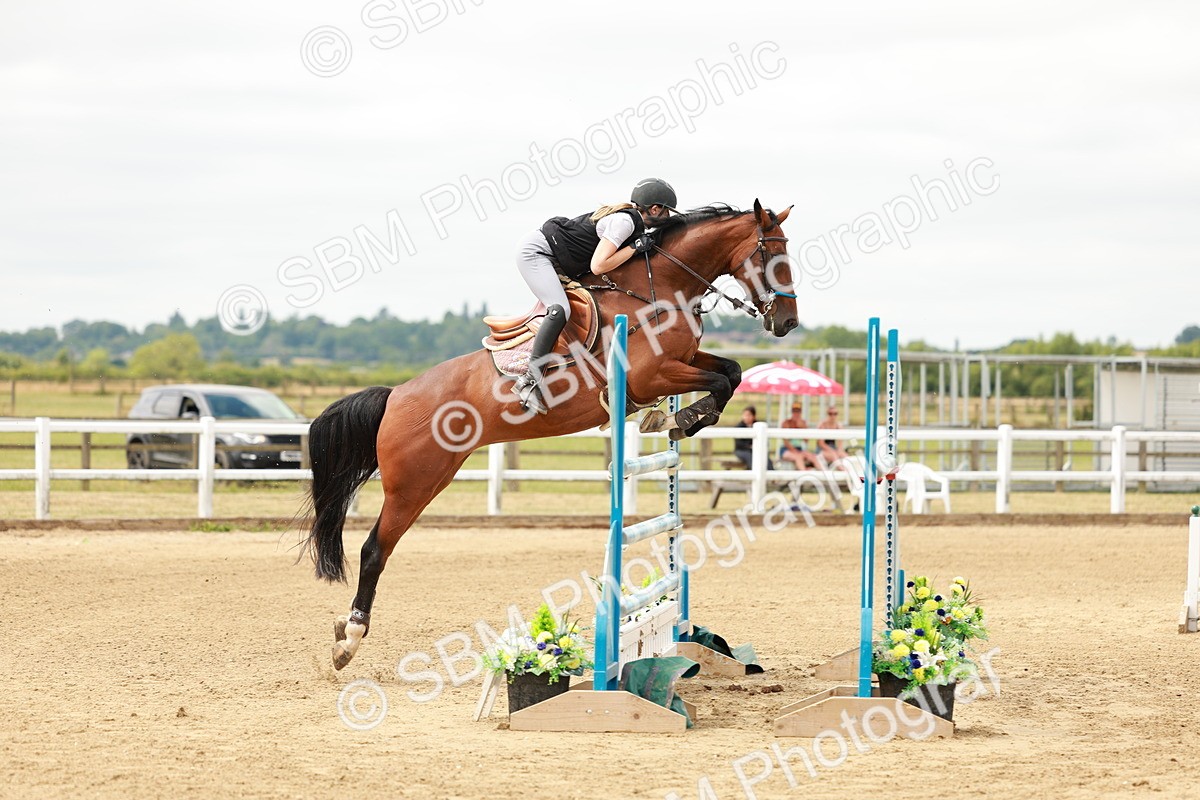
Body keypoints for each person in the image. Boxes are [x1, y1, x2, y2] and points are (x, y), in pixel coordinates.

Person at [512, 178, 679, 414]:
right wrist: (635, 248)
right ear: (654, 208)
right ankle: (529, 380)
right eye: (666, 212)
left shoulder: (633, 223)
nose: (667, 218)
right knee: (560, 309)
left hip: (555, 259)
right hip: (537, 253)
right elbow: (599, 265)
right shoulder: (624, 222)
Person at [779, 404, 821, 469]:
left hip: (799, 449)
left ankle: (823, 474)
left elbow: (806, 440)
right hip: (786, 450)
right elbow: (786, 442)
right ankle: (804, 474)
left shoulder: (803, 423)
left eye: (798, 411)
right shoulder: (786, 423)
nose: (796, 413)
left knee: (813, 457)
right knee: (798, 457)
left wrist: (802, 427)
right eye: (794, 411)